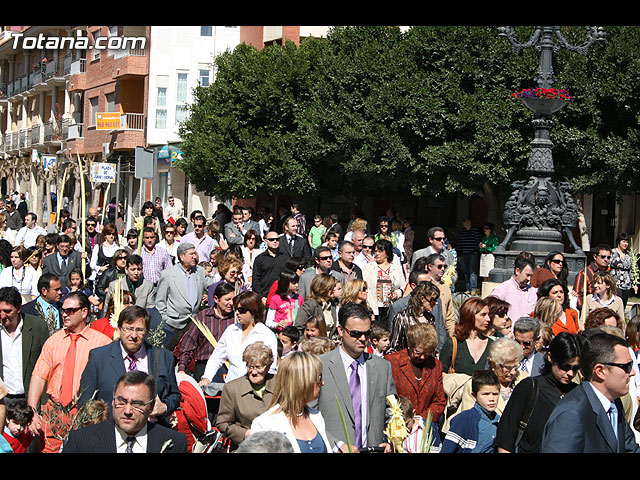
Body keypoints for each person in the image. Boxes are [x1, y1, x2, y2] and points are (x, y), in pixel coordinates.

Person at [27, 292, 111, 453]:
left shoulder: (102, 343)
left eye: (70, 310)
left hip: (85, 414)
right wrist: (32, 411)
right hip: (54, 413)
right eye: (63, 310)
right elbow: (38, 376)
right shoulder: (54, 341)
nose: (64, 314)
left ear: (84, 312)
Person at [309, 302, 397, 452]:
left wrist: (391, 440)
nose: (363, 339)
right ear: (341, 331)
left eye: (367, 333)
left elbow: (393, 412)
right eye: (356, 333)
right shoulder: (320, 366)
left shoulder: (383, 367)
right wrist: (336, 445)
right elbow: (309, 414)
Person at [78, 305, 181, 423]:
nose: (133, 335)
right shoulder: (99, 358)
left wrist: (164, 407)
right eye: (129, 328)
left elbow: (174, 395)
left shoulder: (163, 357)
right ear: (119, 329)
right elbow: (85, 401)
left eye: (139, 330)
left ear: (147, 332)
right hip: (111, 431)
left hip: (152, 431)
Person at [541, 332, 640, 453]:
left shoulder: (614, 404)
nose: (632, 372)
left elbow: (629, 449)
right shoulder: (571, 414)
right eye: (627, 366)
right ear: (600, 371)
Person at [495, 332, 581, 453]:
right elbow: (505, 439)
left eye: (575, 368)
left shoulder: (578, 393)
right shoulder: (530, 388)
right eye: (565, 367)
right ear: (550, 357)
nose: (571, 373)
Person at [64, 371, 188, 453]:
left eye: (137, 404)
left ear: (151, 407)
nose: (127, 411)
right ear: (113, 401)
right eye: (121, 401)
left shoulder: (174, 444)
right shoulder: (81, 441)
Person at [250, 351, 333, 453]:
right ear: (303, 381)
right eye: (319, 378)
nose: (323, 383)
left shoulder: (316, 417)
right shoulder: (265, 424)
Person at [446, 337, 527, 433]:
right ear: (493, 364)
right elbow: (470, 419)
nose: (513, 372)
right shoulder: (477, 382)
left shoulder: (524, 379)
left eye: (516, 366)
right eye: (508, 368)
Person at [199, 291, 278, 385]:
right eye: (236, 309)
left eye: (242, 310)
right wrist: (206, 378)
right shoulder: (231, 330)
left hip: (255, 388)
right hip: (231, 386)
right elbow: (217, 357)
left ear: (253, 310)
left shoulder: (266, 334)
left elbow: (271, 367)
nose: (237, 313)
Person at [215, 341, 276, 449]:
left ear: (268, 366)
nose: (254, 372)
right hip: (246, 447)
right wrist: (245, 433)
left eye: (258, 367)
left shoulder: (279, 384)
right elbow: (222, 423)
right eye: (250, 367)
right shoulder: (233, 388)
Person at [385, 323, 445, 425]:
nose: (422, 357)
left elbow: (439, 401)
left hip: (424, 427)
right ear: (410, 345)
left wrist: (421, 420)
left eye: (427, 353)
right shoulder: (392, 362)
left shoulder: (435, 365)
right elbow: (386, 398)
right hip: (397, 426)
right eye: (418, 352)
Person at [0, 286, 49, 407]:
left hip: (30, 400)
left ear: (19, 308)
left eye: (7, 311)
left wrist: (43, 401)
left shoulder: (38, 327)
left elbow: (47, 365)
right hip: (3, 400)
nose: (2, 316)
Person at [176, 283, 236, 381]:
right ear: (216, 299)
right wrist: (182, 368)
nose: (231, 303)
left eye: (233, 299)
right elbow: (188, 344)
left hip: (229, 368)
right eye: (227, 299)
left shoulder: (236, 319)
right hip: (204, 366)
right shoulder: (203, 317)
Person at [155, 242, 208, 347]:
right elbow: (160, 301)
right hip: (173, 324)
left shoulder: (200, 271)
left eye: (195, 253)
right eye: (191, 254)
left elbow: (211, 287)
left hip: (193, 323)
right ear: (182, 257)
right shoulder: (168, 274)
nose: (194, 256)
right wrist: (166, 320)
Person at [440, 369, 501, 453]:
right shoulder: (463, 420)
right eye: (486, 394)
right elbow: (447, 449)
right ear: (474, 396)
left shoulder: (500, 421)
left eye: (495, 394)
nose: (491, 399)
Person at [388, 281, 446, 355]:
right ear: (422, 299)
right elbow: (393, 348)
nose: (436, 303)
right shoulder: (403, 318)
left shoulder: (430, 318)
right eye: (432, 300)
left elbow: (433, 348)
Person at [440, 297, 493, 376]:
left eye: (488, 315)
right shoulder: (453, 344)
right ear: (470, 315)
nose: (488, 319)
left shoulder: (492, 345)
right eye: (483, 315)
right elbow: (440, 374)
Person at [363, 238, 405, 326]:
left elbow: (403, 286)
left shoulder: (396, 268)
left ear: (387, 253)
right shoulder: (369, 267)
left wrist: (396, 293)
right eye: (375, 251)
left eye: (380, 251)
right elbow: (365, 287)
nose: (376, 254)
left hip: (391, 308)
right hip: (374, 308)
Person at [489, 255, 538, 322]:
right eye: (527, 275)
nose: (529, 279)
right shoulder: (502, 290)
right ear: (517, 271)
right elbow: (490, 310)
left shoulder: (533, 292)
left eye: (531, 276)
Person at [294, 273, 339, 338]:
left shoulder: (332, 304)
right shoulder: (310, 304)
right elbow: (298, 330)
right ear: (323, 288)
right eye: (331, 287)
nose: (334, 290)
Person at [572, 244, 612, 310]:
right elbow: (578, 295)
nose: (606, 260)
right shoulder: (584, 273)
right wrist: (587, 309)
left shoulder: (610, 272)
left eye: (608, 257)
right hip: (590, 311)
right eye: (603, 257)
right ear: (595, 257)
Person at [251, 231, 289, 301]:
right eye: (271, 240)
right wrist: (260, 297)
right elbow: (256, 280)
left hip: (282, 296)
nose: (275, 241)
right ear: (266, 241)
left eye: (277, 239)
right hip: (265, 297)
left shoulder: (286, 257)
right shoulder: (260, 259)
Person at [610, 232, 637, 309]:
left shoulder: (629, 255)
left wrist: (634, 283)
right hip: (616, 282)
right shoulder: (613, 253)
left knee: (623, 304)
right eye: (623, 241)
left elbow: (632, 270)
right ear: (619, 242)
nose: (625, 244)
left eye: (627, 242)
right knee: (617, 301)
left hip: (626, 282)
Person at [457, 217, 483, 294]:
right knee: (465, 270)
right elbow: (460, 243)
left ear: (469, 222)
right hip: (464, 253)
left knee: (473, 271)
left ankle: (473, 288)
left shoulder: (475, 231)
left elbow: (478, 242)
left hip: (473, 253)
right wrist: (459, 255)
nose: (464, 223)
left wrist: (476, 250)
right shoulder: (462, 232)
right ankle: (468, 288)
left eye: (465, 221)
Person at [478, 222, 499, 288]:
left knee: (488, 273)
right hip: (483, 256)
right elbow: (481, 249)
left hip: (489, 256)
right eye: (484, 228)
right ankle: (484, 288)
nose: (485, 230)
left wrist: (486, 247)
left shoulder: (494, 238)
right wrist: (481, 247)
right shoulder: (483, 238)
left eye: (487, 228)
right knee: (483, 274)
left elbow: (494, 249)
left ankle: (489, 288)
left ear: (490, 230)